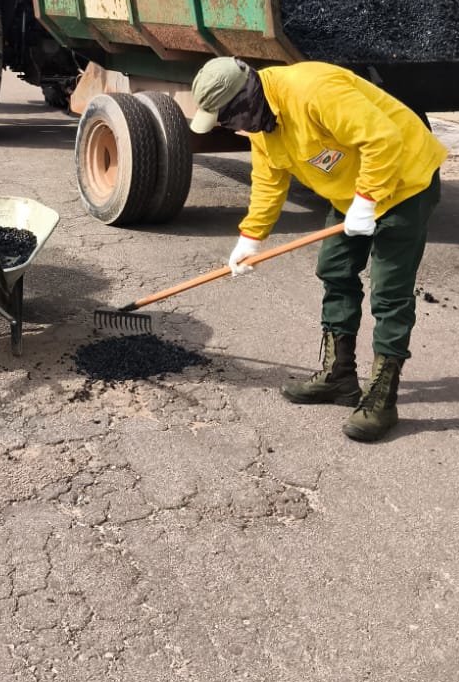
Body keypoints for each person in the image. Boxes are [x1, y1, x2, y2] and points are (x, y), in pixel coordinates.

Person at [190, 57, 445, 442]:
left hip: (405, 180)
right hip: (352, 191)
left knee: (389, 291)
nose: (229, 128)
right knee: (335, 269)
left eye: (228, 119)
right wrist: (251, 238)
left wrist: (366, 198)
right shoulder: (260, 121)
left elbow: (384, 139)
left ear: (245, 100)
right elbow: (269, 179)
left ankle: (382, 398)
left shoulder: (313, 92)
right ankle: (340, 376)